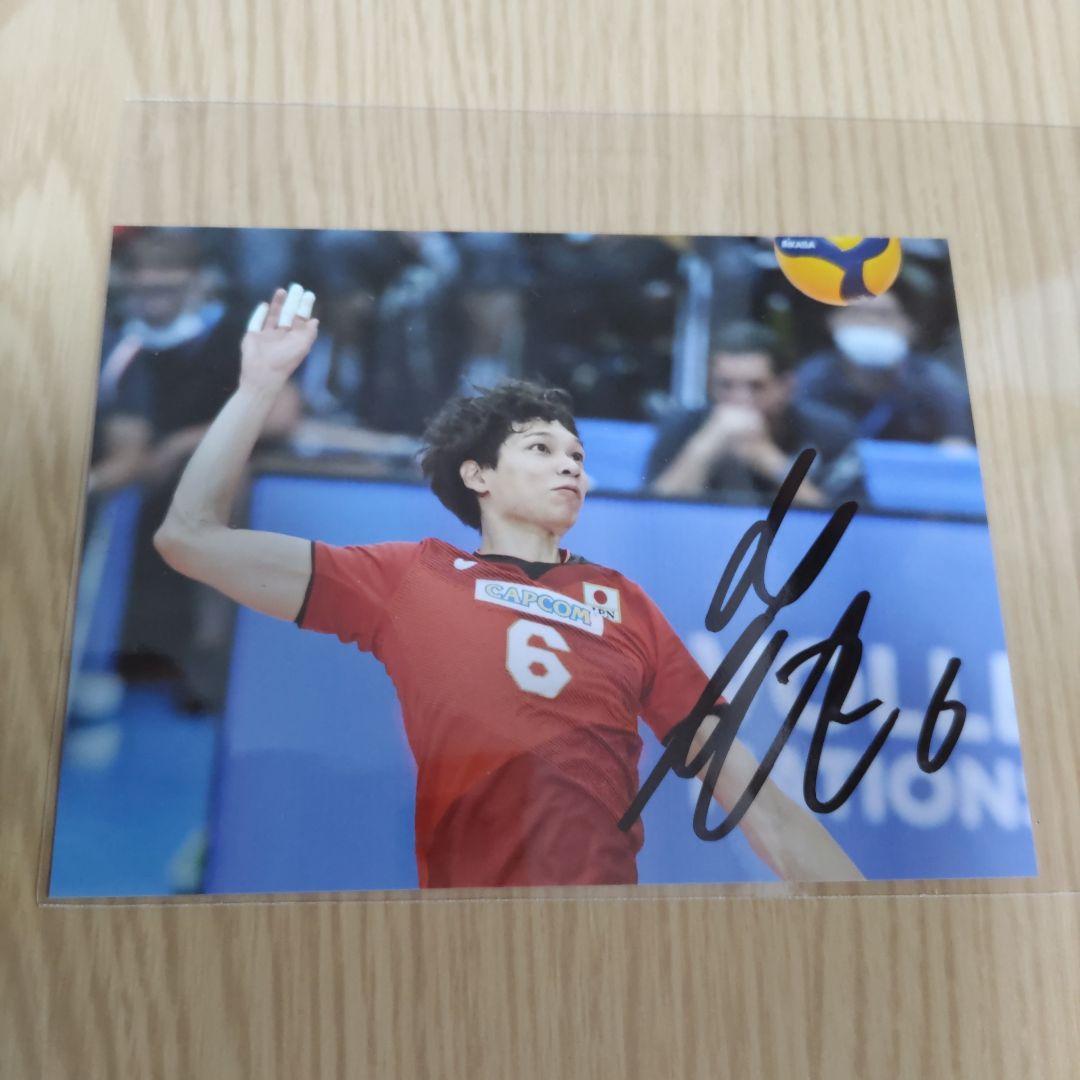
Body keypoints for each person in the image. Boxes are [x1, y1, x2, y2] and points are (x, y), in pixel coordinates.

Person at [153, 285, 863, 888]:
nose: (570, 466)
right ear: (478, 476)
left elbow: (754, 795)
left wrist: (871, 915)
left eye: (576, 455)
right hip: (474, 934)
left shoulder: (622, 602)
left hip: (608, 930)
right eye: (541, 449)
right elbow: (188, 537)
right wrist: (258, 388)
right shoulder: (408, 577)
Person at [92, 230, 300, 710]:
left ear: (199, 283)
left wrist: (179, 444)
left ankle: (208, 650)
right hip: (120, 470)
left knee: (225, 489)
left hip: (196, 467)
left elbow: (282, 413)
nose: (153, 297)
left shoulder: (231, 334)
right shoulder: (112, 336)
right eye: (143, 285)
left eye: (167, 285)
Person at [647, 322, 863, 507]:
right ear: (710, 385)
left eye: (756, 386)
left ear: (786, 387)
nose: (740, 399)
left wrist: (768, 460)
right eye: (726, 385)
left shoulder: (830, 433)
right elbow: (653, 518)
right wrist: (705, 448)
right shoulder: (680, 426)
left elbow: (850, 530)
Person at [795, 290, 974, 444]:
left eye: (884, 315)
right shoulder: (812, 378)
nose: (871, 322)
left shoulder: (938, 383)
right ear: (833, 321)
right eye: (858, 313)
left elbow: (957, 446)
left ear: (910, 327)